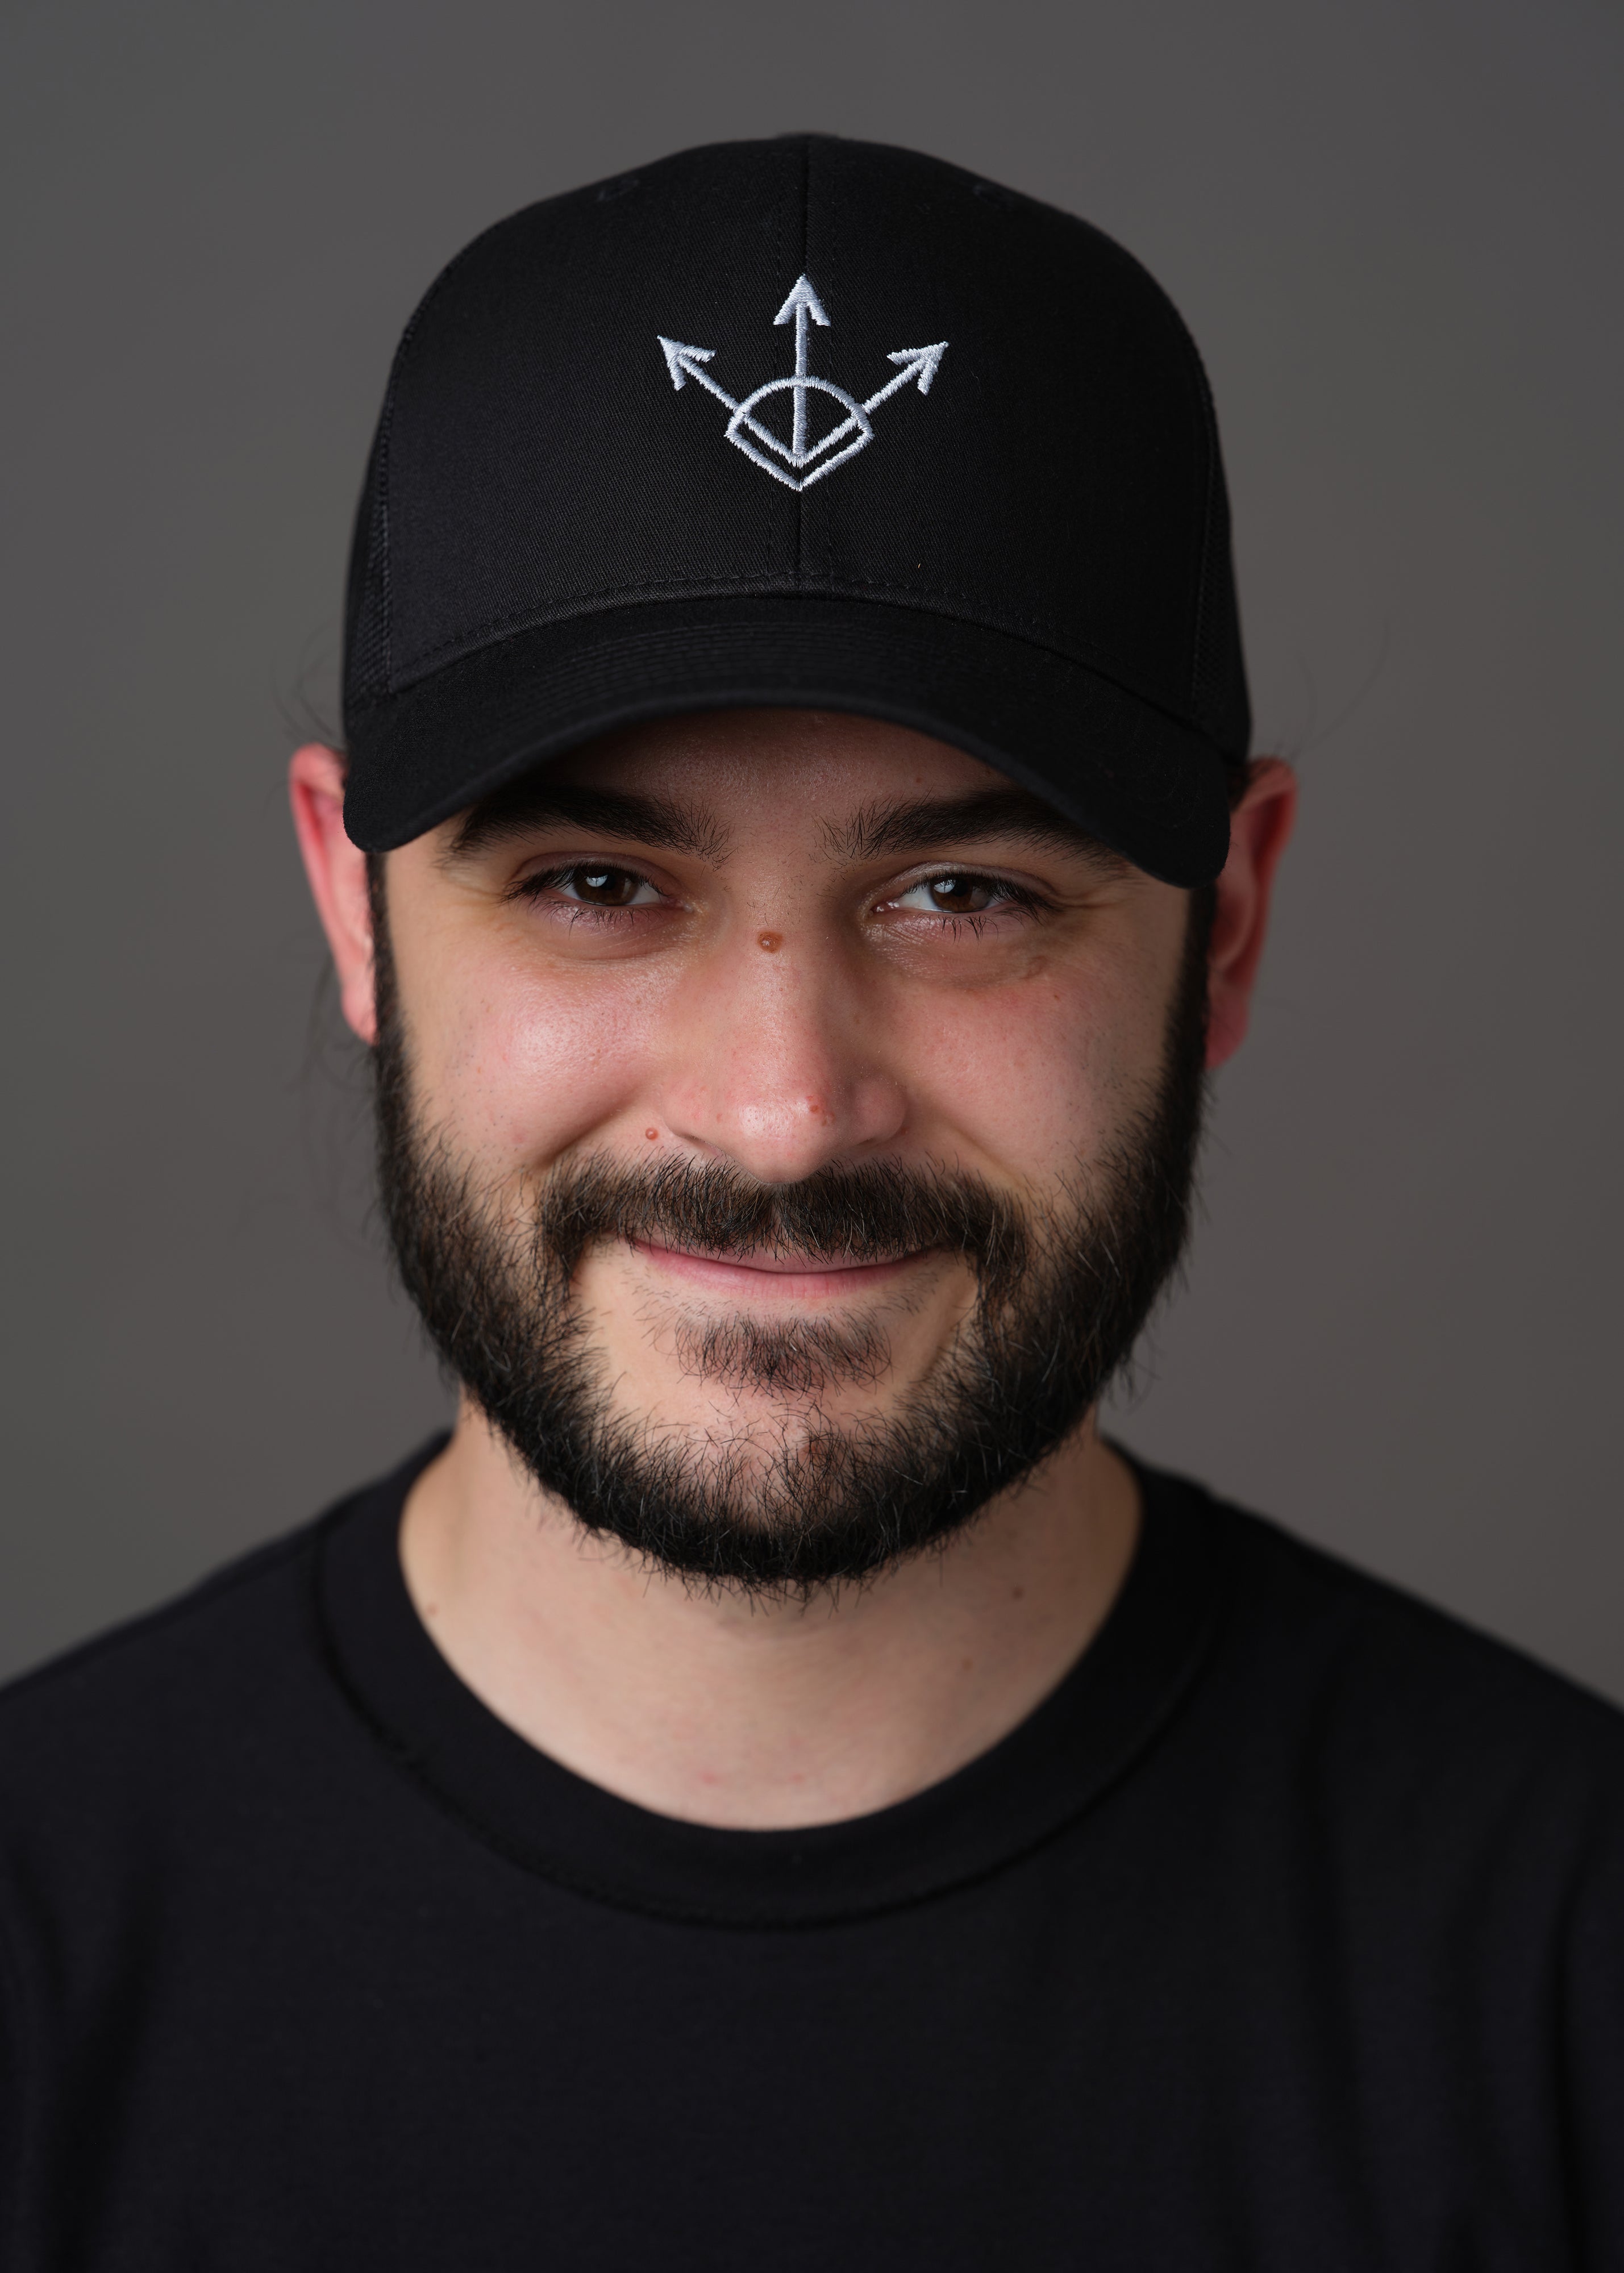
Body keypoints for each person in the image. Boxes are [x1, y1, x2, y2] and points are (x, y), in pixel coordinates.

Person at [1, 135, 1619, 2270]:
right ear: (356, 913)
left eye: (963, 895)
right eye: (597, 887)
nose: (780, 1117)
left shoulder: (1569, 1985)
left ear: (1223, 922)